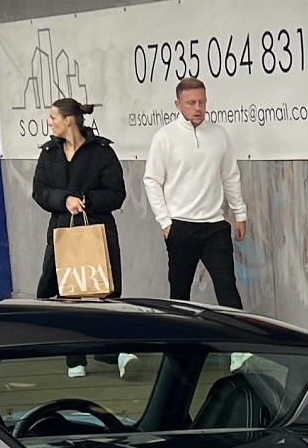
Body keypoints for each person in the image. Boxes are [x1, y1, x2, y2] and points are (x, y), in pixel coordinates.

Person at [143, 78, 247, 306]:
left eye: (202, 102)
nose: (198, 108)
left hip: (214, 226)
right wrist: (165, 222)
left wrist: (240, 213)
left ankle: (238, 338)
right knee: (180, 293)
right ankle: (179, 340)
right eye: (191, 102)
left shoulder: (219, 134)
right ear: (178, 104)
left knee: (228, 289)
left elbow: (230, 175)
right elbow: (152, 180)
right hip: (181, 225)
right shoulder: (165, 137)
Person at [30, 98, 126, 299]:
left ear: (68, 121)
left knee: (105, 294)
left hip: (99, 235)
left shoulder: (101, 152)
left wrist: (86, 199)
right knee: (60, 296)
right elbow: (39, 191)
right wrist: (64, 200)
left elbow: (116, 194)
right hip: (62, 233)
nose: (49, 122)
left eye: (53, 117)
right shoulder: (49, 153)